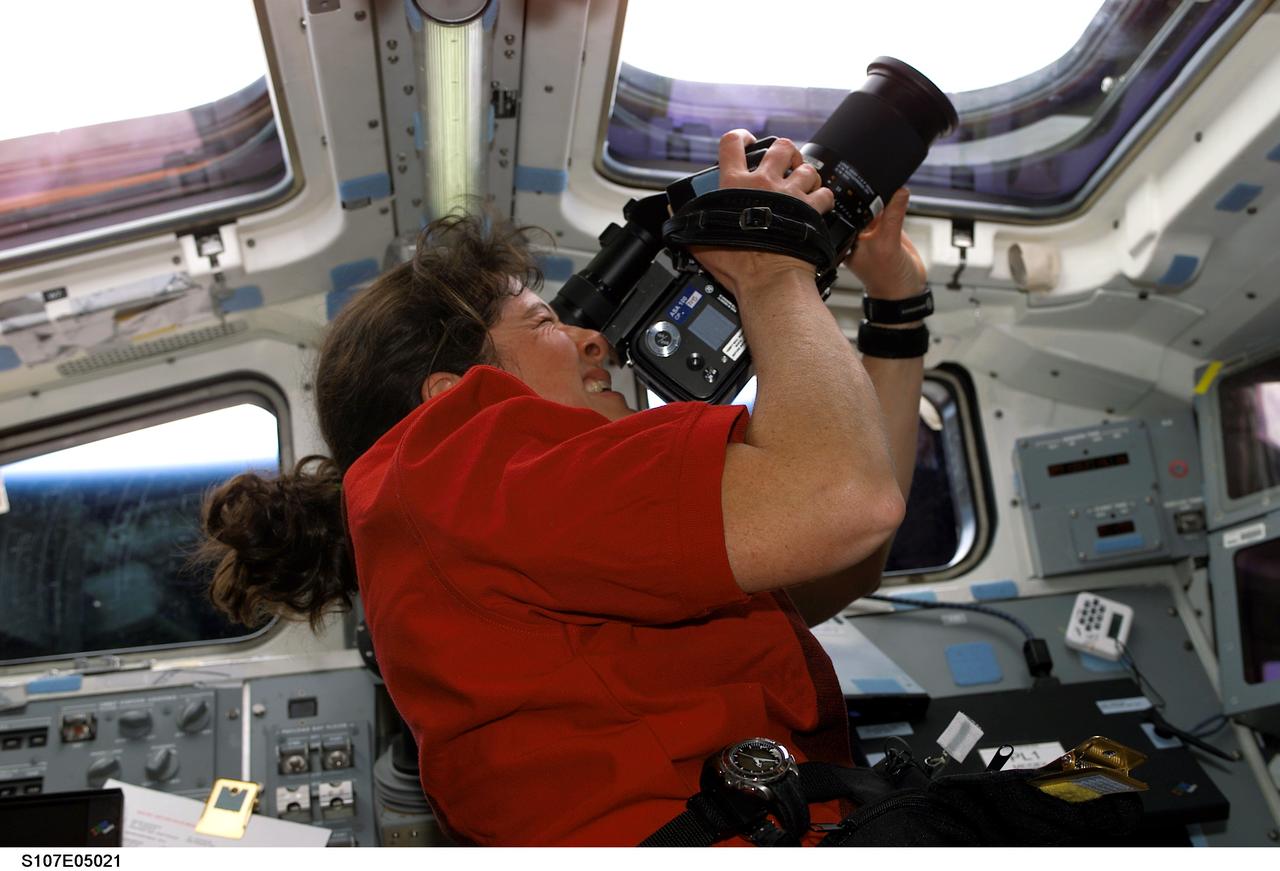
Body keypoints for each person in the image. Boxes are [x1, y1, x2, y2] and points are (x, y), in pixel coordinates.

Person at [198, 131, 928, 846]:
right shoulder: (457, 468)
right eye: (546, 323)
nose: (594, 342)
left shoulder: (518, 528)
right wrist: (773, 266)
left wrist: (897, 306)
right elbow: (846, 498)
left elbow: (847, 551)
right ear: (450, 398)